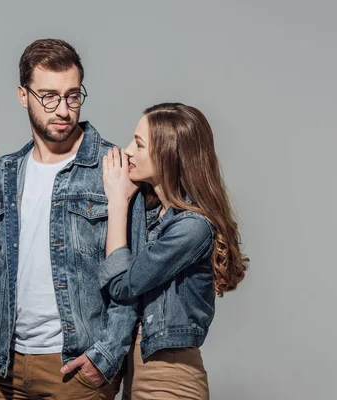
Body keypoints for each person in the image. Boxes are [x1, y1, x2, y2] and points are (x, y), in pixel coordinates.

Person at [0, 38, 142, 400]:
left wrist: (106, 356)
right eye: (49, 97)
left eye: (72, 96)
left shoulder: (113, 167)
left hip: (75, 370)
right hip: (9, 366)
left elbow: (134, 279)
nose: (64, 110)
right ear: (23, 96)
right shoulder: (5, 171)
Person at [99, 102, 249, 400]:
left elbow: (122, 284)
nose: (127, 150)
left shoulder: (192, 228)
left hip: (169, 378)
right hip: (139, 371)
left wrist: (116, 202)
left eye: (139, 144)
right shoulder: (152, 216)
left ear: (168, 156)